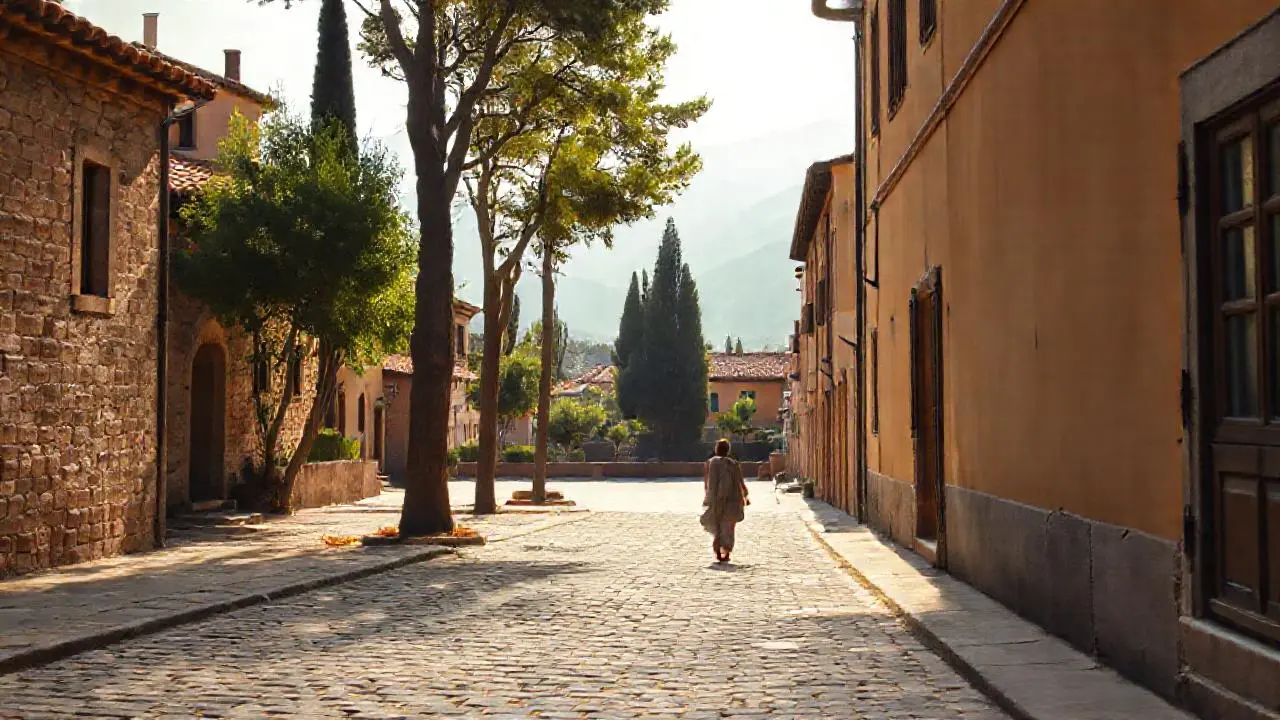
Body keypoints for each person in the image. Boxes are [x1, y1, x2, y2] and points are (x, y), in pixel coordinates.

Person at [701, 438, 749, 563]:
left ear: (716, 449)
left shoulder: (710, 463)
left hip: (716, 499)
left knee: (717, 526)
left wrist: (708, 497)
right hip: (733, 499)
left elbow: (707, 483)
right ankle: (727, 552)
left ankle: (718, 551)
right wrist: (745, 496)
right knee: (729, 527)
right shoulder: (733, 464)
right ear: (728, 450)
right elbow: (740, 482)